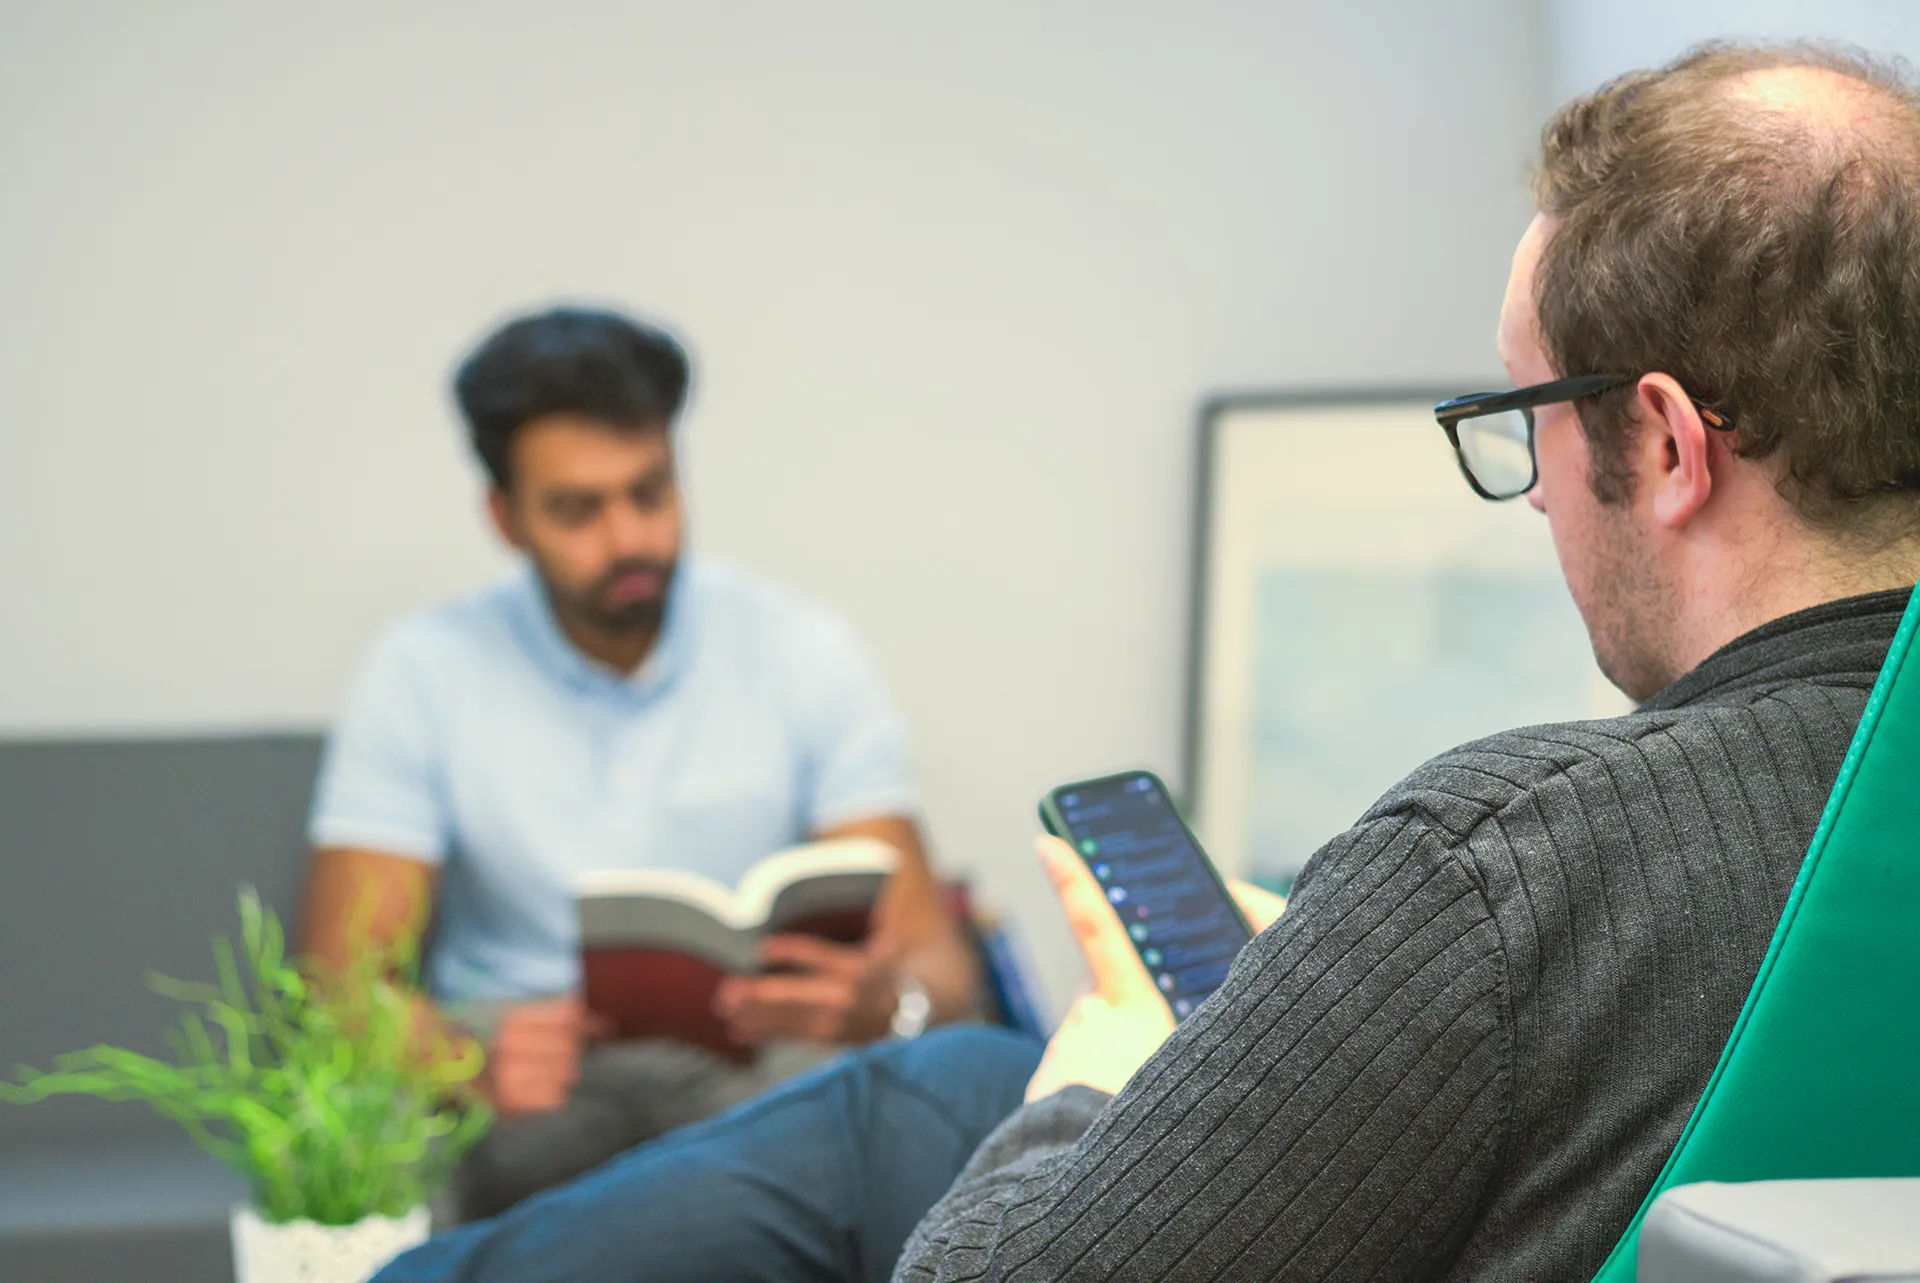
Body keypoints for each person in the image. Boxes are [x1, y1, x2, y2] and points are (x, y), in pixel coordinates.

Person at [375, 39, 1920, 1283]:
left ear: (1656, 441)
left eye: (1524, 423)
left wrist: (1110, 1060)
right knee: (939, 1083)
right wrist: (1320, 988)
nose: (1531, 500)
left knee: (948, 1090)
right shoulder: (1769, 843)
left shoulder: (1495, 867)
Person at [302, 306, 982, 1218]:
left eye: (651, 492)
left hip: (757, 1071)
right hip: (530, 1081)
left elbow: (942, 967)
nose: (628, 540)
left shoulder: (800, 650)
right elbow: (341, 989)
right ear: (505, 518)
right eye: (579, 510)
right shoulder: (420, 673)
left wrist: (882, 1004)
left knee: (878, 1119)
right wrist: (465, 1061)